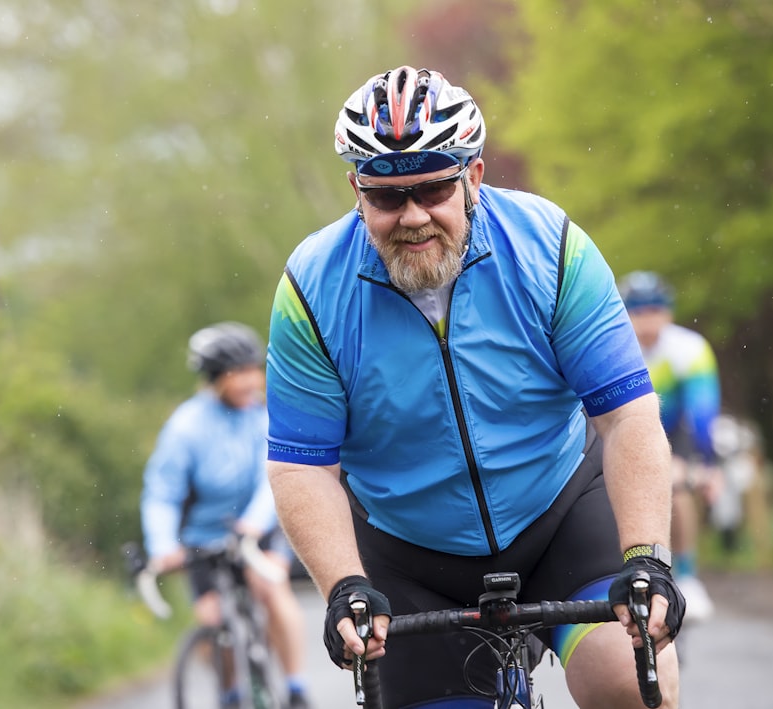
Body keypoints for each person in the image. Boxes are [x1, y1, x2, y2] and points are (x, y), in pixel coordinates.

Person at [266, 66, 684, 709]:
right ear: (356, 190)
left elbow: (627, 416)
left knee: (627, 681)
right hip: (410, 555)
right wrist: (344, 582)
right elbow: (301, 465)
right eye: (385, 198)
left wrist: (646, 558)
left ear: (474, 177)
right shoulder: (311, 291)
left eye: (432, 189)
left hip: (560, 512)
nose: (411, 217)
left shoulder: (552, 248)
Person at [141, 322, 312, 708]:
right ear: (215, 380)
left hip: (256, 529)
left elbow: (272, 477)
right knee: (212, 619)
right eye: (237, 374)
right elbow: (161, 493)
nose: (250, 381)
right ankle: (232, 691)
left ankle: (297, 688)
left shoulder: (261, 418)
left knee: (270, 587)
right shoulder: (186, 428)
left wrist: (253, 523)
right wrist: (163, 546)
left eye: (253, 370)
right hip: (203, 540)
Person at [617, 271, 723, 621]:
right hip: (621, 435)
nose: (647, 320)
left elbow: (702, 415)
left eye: (655, 310)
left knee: (675, 484)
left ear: (669, 313)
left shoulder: (688, 348)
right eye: (637, 311)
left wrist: (708, 465)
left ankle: (689, 576)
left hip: (674, 438)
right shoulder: (612, 345)